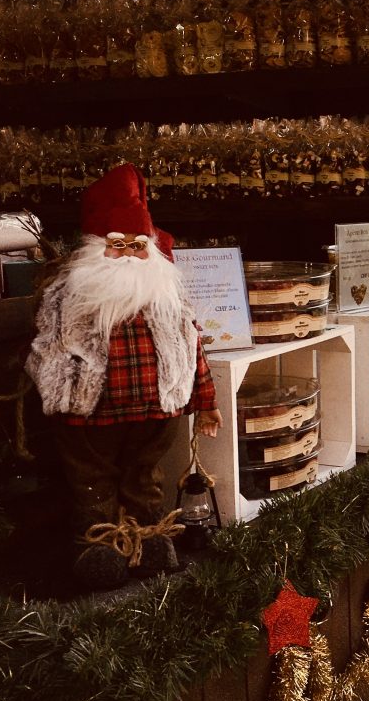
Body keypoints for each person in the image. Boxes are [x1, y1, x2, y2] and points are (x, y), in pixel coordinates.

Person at [26, 163, 222, 589]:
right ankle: (99, 545)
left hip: (155, 410)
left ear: (150, 249)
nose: (130, 255)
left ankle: (147, 538)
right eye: (118, 246)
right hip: (87, 413)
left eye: (138, 246)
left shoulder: (167, 295)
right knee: (91, 481)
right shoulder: (69, 294)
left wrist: (206, 402)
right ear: (97, 247)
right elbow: (47, 349)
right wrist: (55, 392)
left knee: (143, 477)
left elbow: (191, 346)